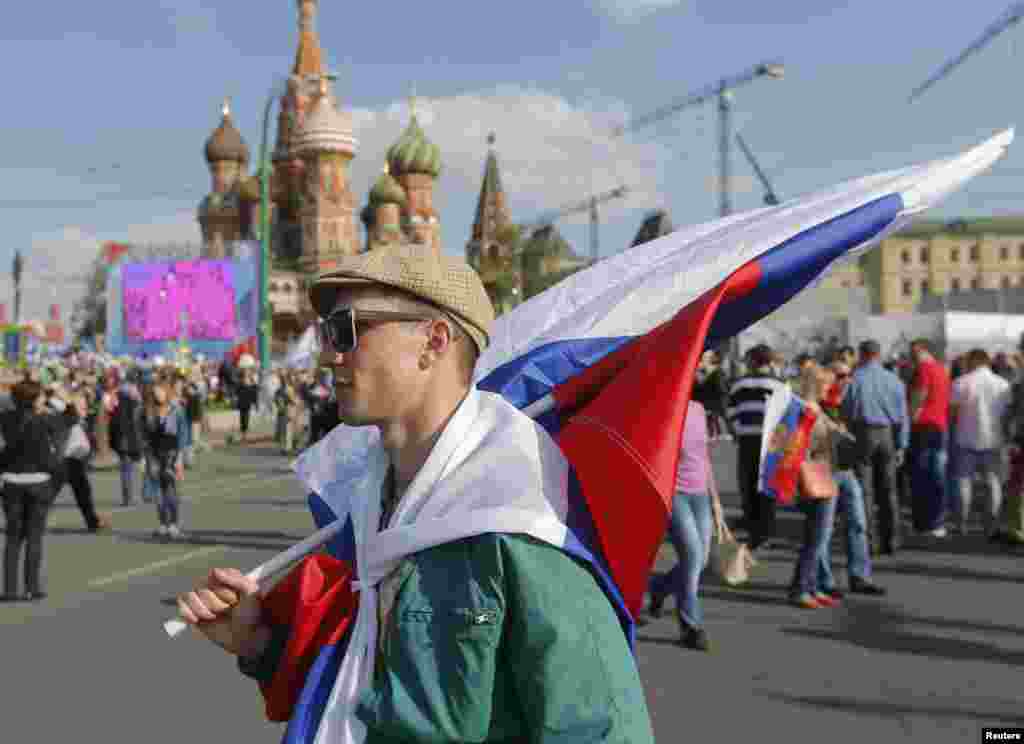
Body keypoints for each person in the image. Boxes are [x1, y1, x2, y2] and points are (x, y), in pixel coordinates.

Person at [175, 244, 655, 742]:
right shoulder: (371, 507)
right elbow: (361, 696)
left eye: (346, 331)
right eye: (327, 334)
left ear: (434, 340)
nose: (327, 355)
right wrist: (258, 644)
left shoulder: (519, 523)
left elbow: (600, 729)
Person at [645, 398, 720, 651]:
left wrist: (716, 500)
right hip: (674, 494)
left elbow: (704, 457)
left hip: (700, 494)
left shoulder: (699, 409)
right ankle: (691, 626)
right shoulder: (662, 408)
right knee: (693, 557)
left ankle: (658, 588)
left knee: (702, 559)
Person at [822, 361, 886, 596]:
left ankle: (860, 576)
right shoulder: (821, 402)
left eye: (849, 375)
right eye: (840, 376)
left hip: (847, 469)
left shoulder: (851, 401)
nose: (846, 380)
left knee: (858, 523)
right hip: (825, 469)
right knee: (824, 529)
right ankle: (824, 580)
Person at [842, 339, 910, 556]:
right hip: (888, 434)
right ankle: (892, 540)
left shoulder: (855, 380)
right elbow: (903, 416)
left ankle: (869, 542)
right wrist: (902, 445)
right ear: (878, 355)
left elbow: (847, 412)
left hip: (863, 433)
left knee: (864, 491)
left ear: (861, 355)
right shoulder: (894, 380)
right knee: (889, 490)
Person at [0, 381, 67, 601]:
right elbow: (70, 418)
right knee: (34, 537)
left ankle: (10, 589)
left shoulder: (5, 419)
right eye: (40, 396)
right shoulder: (46, 420)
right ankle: (31, 587)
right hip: (38, 481)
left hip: (11, 481)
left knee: (13, 538)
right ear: (34, 399)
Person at [789, 364, 842, 609]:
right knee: (817, 537)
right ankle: (802, 588)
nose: (829, 389)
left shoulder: (812, 408)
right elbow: (799, 448)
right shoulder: (807, 410)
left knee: (817, 536)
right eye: (826, 385)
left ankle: (811, 586)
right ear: (816, 385)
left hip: (821, 471)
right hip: (816, 474)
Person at [727, 344, 784, 549]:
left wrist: (738, 430)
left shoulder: (739, 384)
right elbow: (783, 417)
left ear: (752, 361)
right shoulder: (778, 385)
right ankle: (765, 533)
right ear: (768, 362)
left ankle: (752, 530)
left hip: (747, 440)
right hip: (770, 442)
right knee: (767, 486)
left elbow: (731, 412)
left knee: (748, 484)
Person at [950, 349, 1010, 537]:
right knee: (993, 483)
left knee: (963, 482)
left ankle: (962, 523)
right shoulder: (1002, 384)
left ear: (972, 361)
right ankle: (991, 524)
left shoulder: (960, 382)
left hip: (966, 438)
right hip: (994, 439)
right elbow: (1007, 415)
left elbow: (953, 413)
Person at [908, 338, 952, 537]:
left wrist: (911, 413)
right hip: (940, 426)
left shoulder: (924, 369)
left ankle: (923, 522)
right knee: (937, 476)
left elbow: (920, 393)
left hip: (924, 427)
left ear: (922, 351)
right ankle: (937, 522)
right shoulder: (942, 369)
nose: (911, 357)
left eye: (913, 352)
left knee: (922, 476)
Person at [144, 382, 186, 540]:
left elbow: (182, 434)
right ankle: (163, 524)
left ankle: (173, 524)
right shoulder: (148, 411)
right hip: (154, 454)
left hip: (171, 454)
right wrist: (146, 458)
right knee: (157, 491)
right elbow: (146, 436)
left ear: (166, 393)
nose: (157, 395)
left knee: (171, 490)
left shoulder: (177, 411)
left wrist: (180, 458)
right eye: (155, 393)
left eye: (160, 392)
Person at [62, 393, 109, 533]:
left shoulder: (82, 420)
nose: (84, 407)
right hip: (66, 460)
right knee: (50, 493)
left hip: (76, 461)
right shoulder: (69, 418)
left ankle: (93, 522)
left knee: (83, 492)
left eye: (84, 405)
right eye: (80, 405)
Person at [108, 373, 145, 506]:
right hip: (131, 438)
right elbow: (137, 421)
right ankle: (139, 494)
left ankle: (127, 497)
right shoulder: (133, 399)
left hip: (122, 438)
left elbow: (112, 418)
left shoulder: (116, 397)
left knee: (126, 469)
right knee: (138, 467)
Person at [235, 367, 260, 444]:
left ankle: (244, 435)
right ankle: (243, 435)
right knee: (242, 419)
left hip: (247, 404)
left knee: (245, 419)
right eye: (246, 374)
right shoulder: (240, 383)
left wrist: (256, 404)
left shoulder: (251, 384)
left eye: (248, 374)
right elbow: (237, 392)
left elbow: (255, 392)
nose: (246, 376)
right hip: (242, 403)